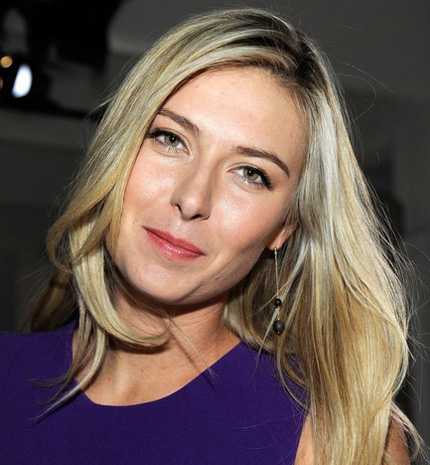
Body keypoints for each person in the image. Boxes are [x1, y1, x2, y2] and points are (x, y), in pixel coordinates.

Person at [0, 6, 425, 465]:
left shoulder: (336, 433)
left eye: (250, 173)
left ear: (283, 228)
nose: (192, 198)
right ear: (117, 149)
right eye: (170, 139)